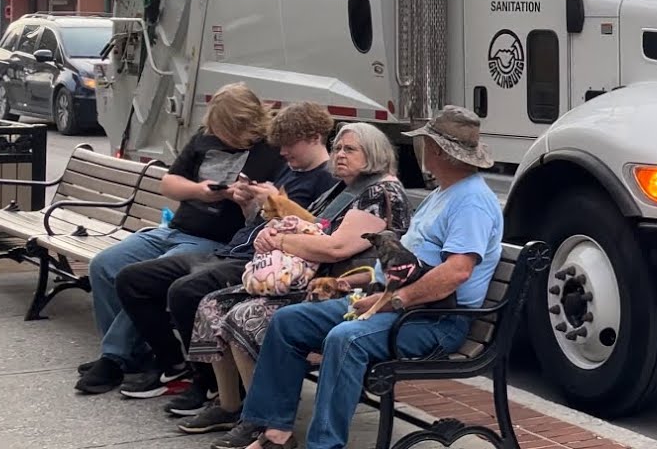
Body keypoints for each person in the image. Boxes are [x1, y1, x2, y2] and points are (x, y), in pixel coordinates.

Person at [239, 105, 503, 449]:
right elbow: (406, 261)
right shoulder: (444, 192)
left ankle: (325, 445)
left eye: (426, 144)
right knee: (289, 321)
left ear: (438, 151)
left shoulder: (471, 201)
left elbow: (457, 272)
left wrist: (392, 301)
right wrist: (358, 283)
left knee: (346, 338)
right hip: (398, 303)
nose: (422, 150)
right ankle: (275, 434)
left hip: (435, 319)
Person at [177, 122, 410, 447]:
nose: (340, 154)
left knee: (244, 316)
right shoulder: (344, 187)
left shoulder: (381, 192)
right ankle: (231, 406)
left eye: (350, 149)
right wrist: (270, 231)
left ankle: (260, 422)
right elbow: (312, 226)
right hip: (309, 278)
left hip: (344, 287)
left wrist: (282, 242)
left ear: (374, 154)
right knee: (212, 304)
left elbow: (336, 247)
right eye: (338, 148)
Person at [111, 101, 341, 412]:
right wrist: (251, 203)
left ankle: (206, 384)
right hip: (232, 250)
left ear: (314, 137)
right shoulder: (290, 170)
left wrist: (277, 202)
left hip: (262, 264)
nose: (283, 153)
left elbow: (317, 231)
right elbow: (257, 222)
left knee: (186, 291)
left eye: (289, 145)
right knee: (133, 278)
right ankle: (173, 364)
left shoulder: (326, 181)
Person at [76, 83, 285, 395]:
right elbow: (169, 184)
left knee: (148, 275)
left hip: (212, 242)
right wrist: (201, 191)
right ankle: (135, 355)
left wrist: (242, 200)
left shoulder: (268, 152)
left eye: (224, 130)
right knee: (104, 264)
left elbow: (269, 217)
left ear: (244, 125)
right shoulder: (204, 139)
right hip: (174, 229)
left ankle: (114, 359)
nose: (218, 136)